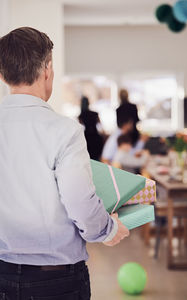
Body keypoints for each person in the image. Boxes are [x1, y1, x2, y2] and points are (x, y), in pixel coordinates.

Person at [0, 27, 129, 300]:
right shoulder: (65, 131)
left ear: (2, 74)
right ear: (47, 69)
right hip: (56, 280)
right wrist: (108, 229)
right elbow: (80, 203)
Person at [78, 96, 104, 161]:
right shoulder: (95, 114)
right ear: (88, 103)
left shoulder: (81, 116)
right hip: (96, 137)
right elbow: (100, 125)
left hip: (87, 138)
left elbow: (80, 128)